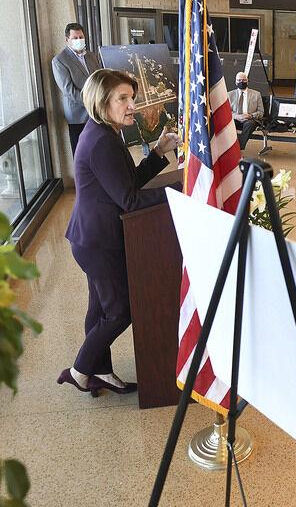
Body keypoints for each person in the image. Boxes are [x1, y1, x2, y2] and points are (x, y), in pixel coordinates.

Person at [59, 69, 180, 395]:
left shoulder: (105, 133)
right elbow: (129, 200)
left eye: (132, 98)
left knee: (99, 308)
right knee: (120, 310)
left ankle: (100, 371)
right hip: (98, 241)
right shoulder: (101, 141)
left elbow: (126, 185)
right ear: (102, 102)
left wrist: (158, 153)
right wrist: (179, 190)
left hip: (93, 237)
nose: (132, 106)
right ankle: (80, 369)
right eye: (122, 99)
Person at [51, 23, 102, 157]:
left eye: (81, 37)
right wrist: (91, 102)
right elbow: (68, 90)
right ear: (67, 39)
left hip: (96, 112)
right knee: (81, 154)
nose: (79, 40)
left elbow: (99, 78)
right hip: (78, 116)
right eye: (75, 38)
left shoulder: (91, 56)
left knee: (98, 149)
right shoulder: (59, 60)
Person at [227, 71, 264, 150]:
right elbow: (227, 112)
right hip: (236, 119)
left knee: (249, 124)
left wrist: (250, 115)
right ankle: (230, 147)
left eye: (244, 80)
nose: (241, 82)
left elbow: (261, 112)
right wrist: (237, 116)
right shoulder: (229, 95)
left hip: (250, 119)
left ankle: (239, 147)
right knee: (227, 124)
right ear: (235, 82)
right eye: (239, 80)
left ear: (247, 81)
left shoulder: (256, 94)